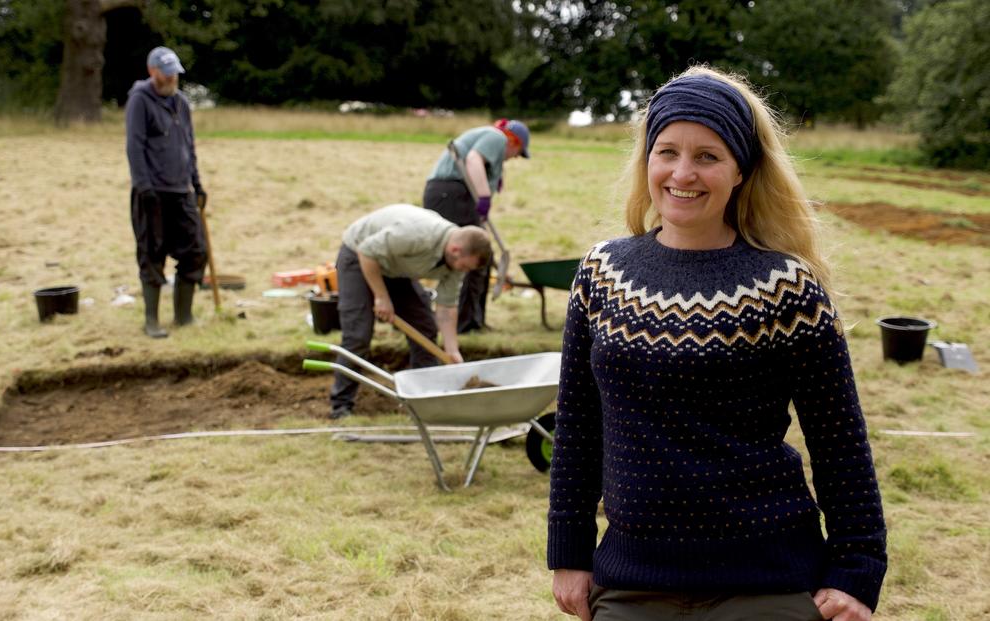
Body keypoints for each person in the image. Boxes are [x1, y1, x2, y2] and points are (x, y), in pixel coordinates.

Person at [548, 66, 887, 621]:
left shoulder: (788, 289)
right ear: (647, 161)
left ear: (741, 171)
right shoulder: (601, 272)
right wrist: (568, 552)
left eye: (708, 156)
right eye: (667, 151)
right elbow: (579, 424)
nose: (683, 173)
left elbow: (839, 441)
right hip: (632, 581)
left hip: (767, 582)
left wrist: (858, 569)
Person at [328, 204, 493, 419]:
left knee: (424, 328)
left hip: (395, 266)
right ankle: (340, 406)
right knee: (358, 335)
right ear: (455, 250)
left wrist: (452, 349)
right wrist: (381, 297)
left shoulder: (457, 262)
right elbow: (367, 252)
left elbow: (446, 307)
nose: (466, 272)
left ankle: (424, 402)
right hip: (359, 256)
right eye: (466, 267)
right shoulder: (417, 235)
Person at [125, 46, 207, 338]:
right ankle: (151, 321)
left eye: (175, 73)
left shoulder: (182, 103)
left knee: (196, 251)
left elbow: (189, 147)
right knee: (152, 253)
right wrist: (143, 185)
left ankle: (183, 316)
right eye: (167, 73)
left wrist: (197, 184)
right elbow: (135, 146)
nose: (172, 78)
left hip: (180, 190)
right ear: (153, 71)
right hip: (151, 191)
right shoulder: (139, 101)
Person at [422, 119, 530, 333]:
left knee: (480, 257)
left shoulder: (491, 139)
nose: (514, 158)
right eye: (517, 153)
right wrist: (484, 196)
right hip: (452, 194)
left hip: (450, 194)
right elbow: (473, 159)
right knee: (473, 256)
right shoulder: (497, 137)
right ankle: (467, 323)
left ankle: (474, 320)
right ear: (514, 142)